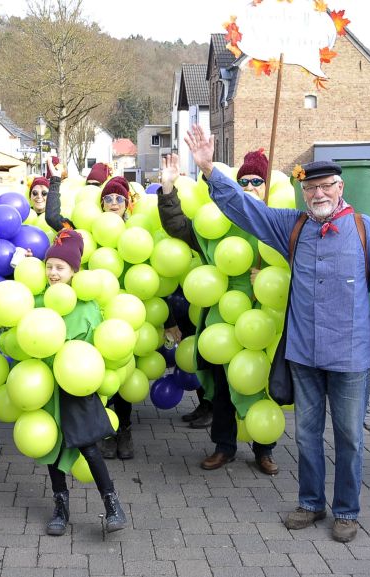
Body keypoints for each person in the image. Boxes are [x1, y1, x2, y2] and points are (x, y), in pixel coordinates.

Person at [184, 124, 370, 543]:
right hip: (304, 355)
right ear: (302, 193)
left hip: (350, 356)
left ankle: (346, 510)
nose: (319, 195)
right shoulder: (292, 227)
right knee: (307, 435)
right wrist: (208, 169)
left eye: (326, 187)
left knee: (349, 438)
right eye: (311, 189)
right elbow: (244, 209)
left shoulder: (364, 229)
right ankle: (310, 503)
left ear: (339, 187)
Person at [158, 149, 278, 475]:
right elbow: (178, 227)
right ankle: (224, 447)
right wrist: (168, 189)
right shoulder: (219, 225)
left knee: (260, 383)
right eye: (244, 181)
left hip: (264, 321)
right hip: (224, 322)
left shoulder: (278, 221)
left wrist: (268, 277)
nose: (251, 186)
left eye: (258, 181)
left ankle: (263, 448)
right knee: (225, 386)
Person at [36, 228, 127, 535]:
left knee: (88, 445)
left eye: (60, 268)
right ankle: (60, 506)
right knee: (52, 446)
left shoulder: (87, 307)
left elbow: (97, 347)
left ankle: (112, 503)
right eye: (49, 266)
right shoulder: (41, 300)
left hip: (76, 386)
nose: (53, 273)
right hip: (46, 386)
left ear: (74, 271)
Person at [43, 165, 137, 459]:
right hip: (93, 308)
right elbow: (52, 218)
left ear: (127, 204)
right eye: (107, 199)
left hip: (126, 311)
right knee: (99, 373)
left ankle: (125, 430)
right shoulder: (83, 231)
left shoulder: (137, 231)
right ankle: (106, 430)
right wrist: (55, 180)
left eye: (118, 199)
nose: (112, 204)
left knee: (121, 373)